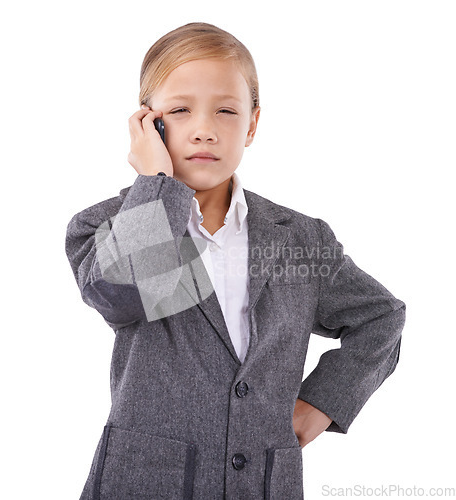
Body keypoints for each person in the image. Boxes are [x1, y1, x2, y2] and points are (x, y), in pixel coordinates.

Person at [65, 22, 406, 500]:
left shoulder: (301, 239)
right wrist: (158, 184)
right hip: (143, 481)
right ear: (148, 123)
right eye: (180, 110)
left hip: (265, 484)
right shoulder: (104, 225)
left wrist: (322, 402)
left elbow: (380, 316)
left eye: (226, 111)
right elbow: (124, 295)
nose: (205, 129)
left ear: (252, 125)